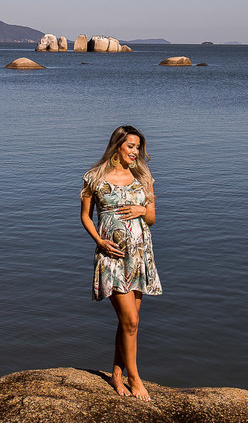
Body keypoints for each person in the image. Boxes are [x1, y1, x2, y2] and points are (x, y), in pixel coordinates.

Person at [80, 124, 163, 400]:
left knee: (130, 322)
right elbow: (85, 216)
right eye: (131, 146)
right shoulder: (94, 178)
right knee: (130, 319)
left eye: (138, 147)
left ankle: (117, 374)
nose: (135, 152)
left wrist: (142, 209)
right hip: (112, 256)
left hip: (140, 256)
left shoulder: (143, 176)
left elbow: (151, 218)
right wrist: (100, 242)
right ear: (117, 146)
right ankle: (135, 378)